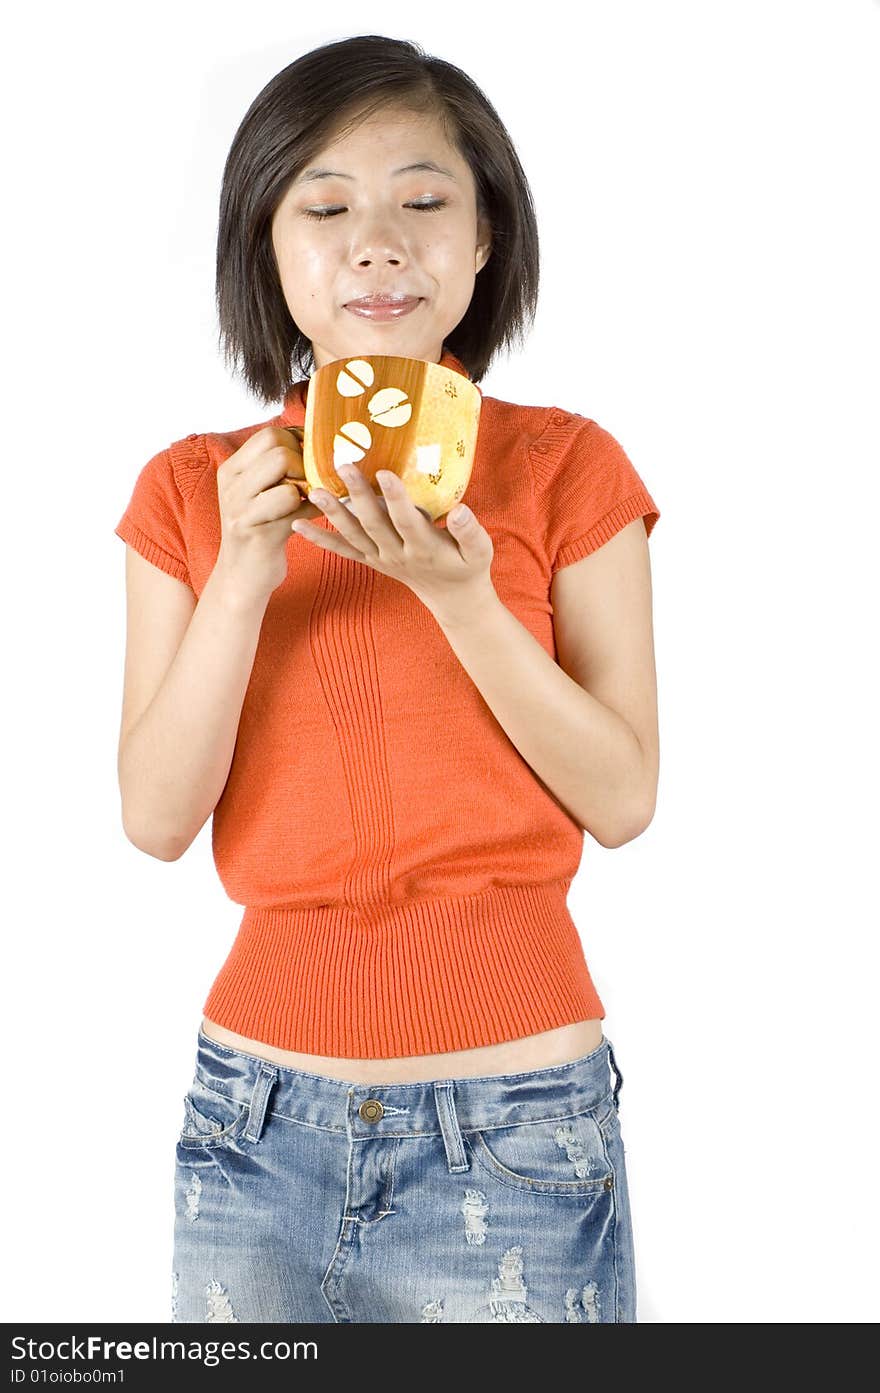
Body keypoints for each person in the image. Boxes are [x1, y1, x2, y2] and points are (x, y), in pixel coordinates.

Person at [115, 34, 660, 1325]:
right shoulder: (193, 491)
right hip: (255, 1123)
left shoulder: (568, 469)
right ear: (268, 248)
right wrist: (244, 569)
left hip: (521, 1125)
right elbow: (153, 817)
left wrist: (462, 600)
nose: (377, 241)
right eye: (325, 207)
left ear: (483, 242)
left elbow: (626, 793)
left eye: (424, 201)